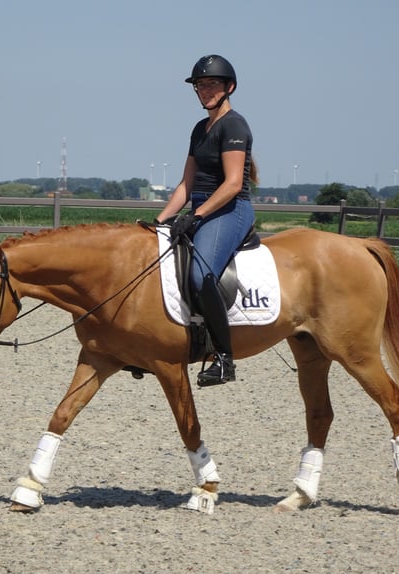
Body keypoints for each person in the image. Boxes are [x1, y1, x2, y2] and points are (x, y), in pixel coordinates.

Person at [155, 54, 257, 387]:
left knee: (201, 275)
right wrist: (160, 221)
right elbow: (186, 185)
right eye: (200, 85)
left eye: (211, 84)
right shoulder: (200, 129)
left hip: (230, 209)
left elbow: (233, 184)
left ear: (229, 87)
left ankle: (224, 359)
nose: (205, 90)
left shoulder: (234, 125)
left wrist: (196, 217)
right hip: (200, 207)